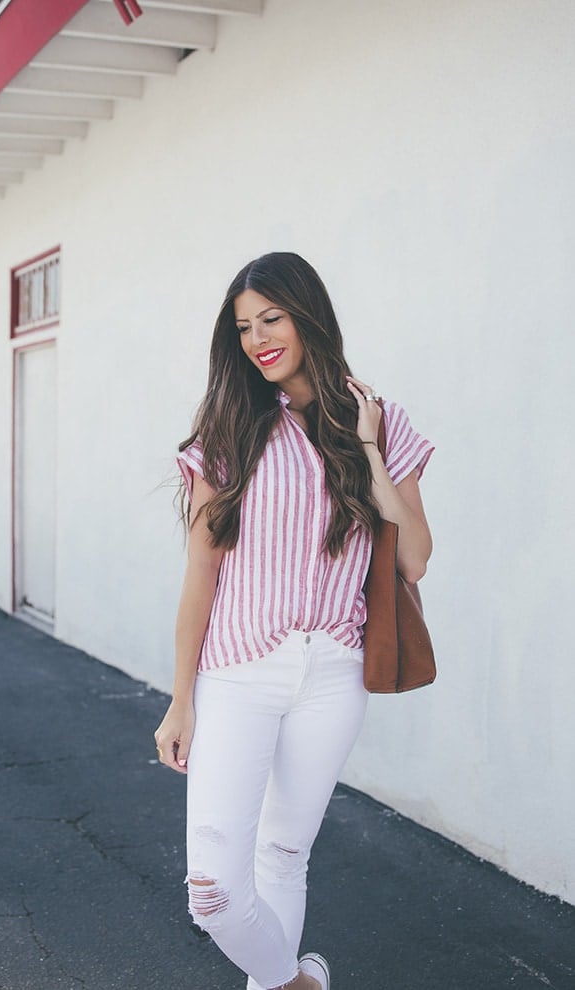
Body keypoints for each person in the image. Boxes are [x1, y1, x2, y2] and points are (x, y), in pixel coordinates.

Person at [154, 252, 433, 990]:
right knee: (213, 891)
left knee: (282, 857)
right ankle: (295, 981)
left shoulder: (377, 419)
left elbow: (416, 558)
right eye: (244, 326)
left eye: (271, 318)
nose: (257, 338)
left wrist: (368, 449)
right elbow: (202, 574)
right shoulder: (231, 427)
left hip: (335, 673)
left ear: (307, 315)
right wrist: (181, 698)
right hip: (237, 672)